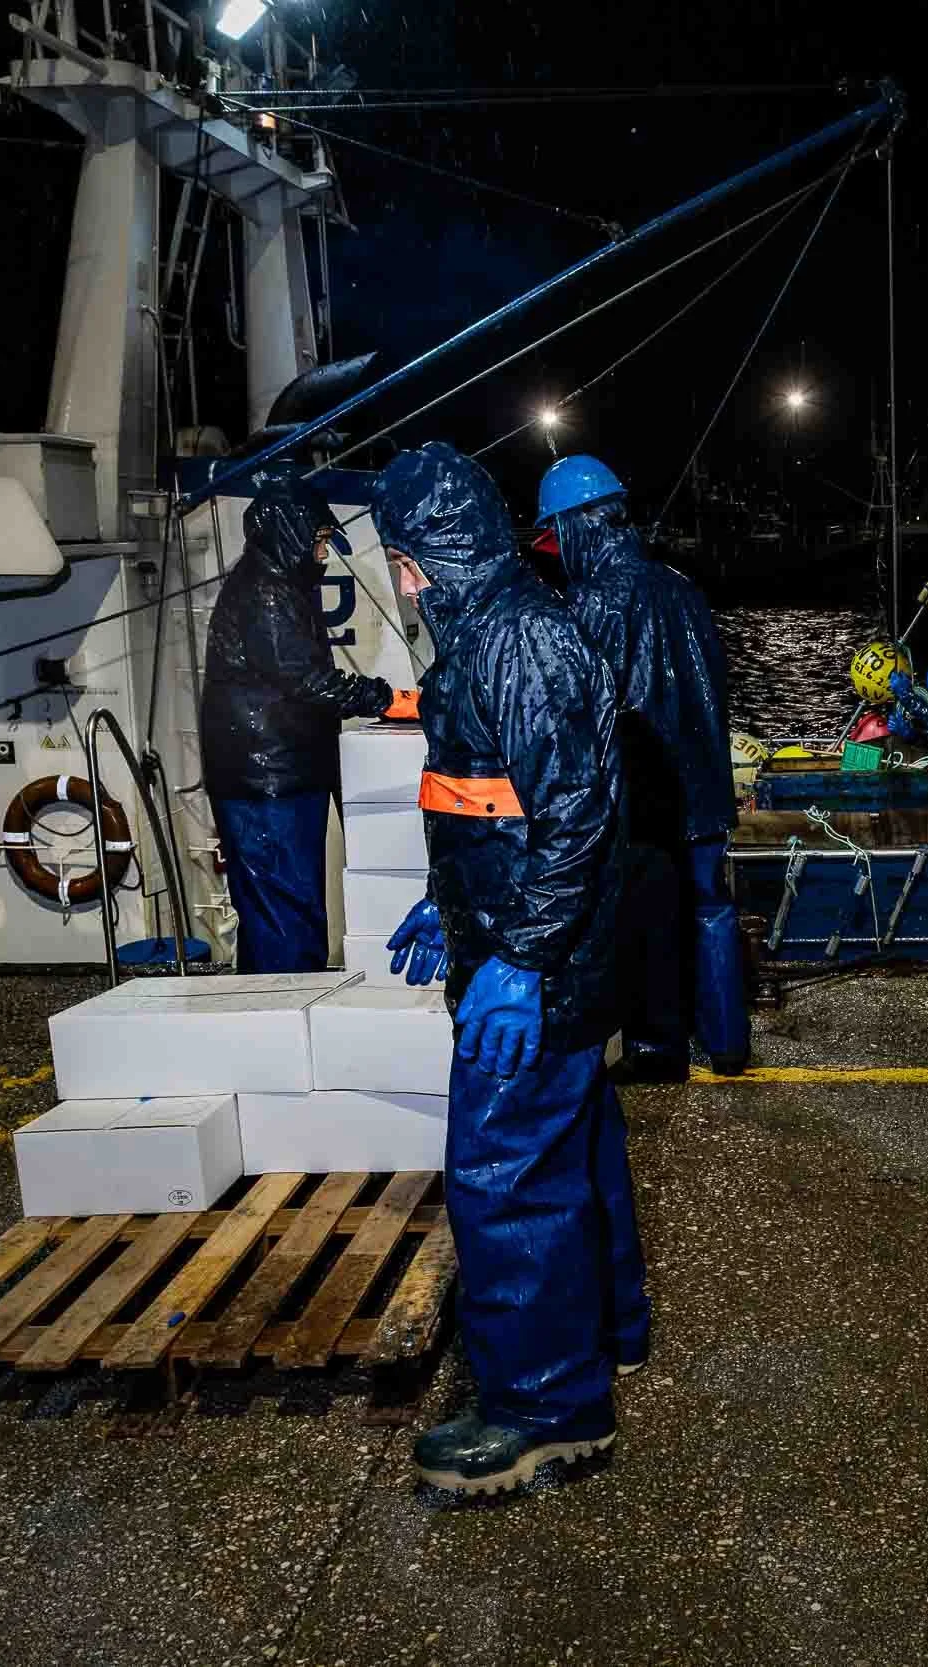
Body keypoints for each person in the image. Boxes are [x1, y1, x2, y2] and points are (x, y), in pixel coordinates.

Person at [371, 442, 643, 1499]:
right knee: (577, 1158)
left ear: (422, 558)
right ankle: (607, 1338)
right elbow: (499, 803)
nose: (397, 582)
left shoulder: (513, 644)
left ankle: (542, 1408)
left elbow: (576, 814)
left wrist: (518, 960)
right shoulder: (502, 632)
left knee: (504, 1178)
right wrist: (448, 905)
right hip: (537, 947)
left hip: (534, 969)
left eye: (397, 563)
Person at [534, 453, 750, 1081]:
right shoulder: (682, 588)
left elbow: (579, 707)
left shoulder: (594, 601)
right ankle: (728, 1044)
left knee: (644, 916)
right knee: (710, 908)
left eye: (556, 534)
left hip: (643, 792)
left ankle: (659, 1046)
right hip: (704, 782)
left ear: (577, 526)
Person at [198, 479, 410, 973]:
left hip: (278, 780)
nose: (322, 555)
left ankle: (270, 1021)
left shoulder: (275, 585)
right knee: (286, 919)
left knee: (283, 913)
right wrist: (388, 699)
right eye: (317, 541)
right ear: (291, 536)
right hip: (267, 785)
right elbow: (307, 681)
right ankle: (284, 1026)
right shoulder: (267, 594)